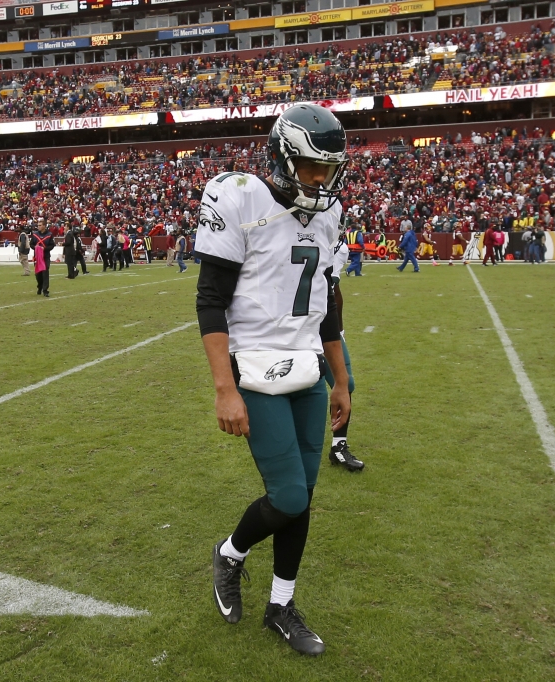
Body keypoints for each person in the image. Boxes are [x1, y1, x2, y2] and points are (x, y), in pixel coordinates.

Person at [195, 105, 351, 657]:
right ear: (284, 157)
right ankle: (231, 553)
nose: (319, 178)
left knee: (301, 497)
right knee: (287, 494)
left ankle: (281, 605)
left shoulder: (330, 214)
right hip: (255, 367)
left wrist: (341, 380)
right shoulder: (240, 195)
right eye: (310, 166)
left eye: (327, 169)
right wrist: (223, 387)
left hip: (307, 365)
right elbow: (211, 301)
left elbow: (327, 308)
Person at [325, 236, 364, 471]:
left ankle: (339, 446)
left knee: (345, 383)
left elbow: (335, 292)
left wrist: (340, 329)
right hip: (292, 327)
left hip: (324, 326)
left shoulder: (338, 247)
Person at [31, 221, 55, 295]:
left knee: (45, 273)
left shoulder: (49, 235)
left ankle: (45, 290)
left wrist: (45, 249)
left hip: (45, 257)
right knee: (38, 274)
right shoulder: (35, 234)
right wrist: (36, 248)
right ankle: (39, 287)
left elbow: (52, 245)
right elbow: (31, 244)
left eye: (40, 225)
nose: (38, 226)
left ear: (44, 226)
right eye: (38, 225)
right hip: (37, 257)